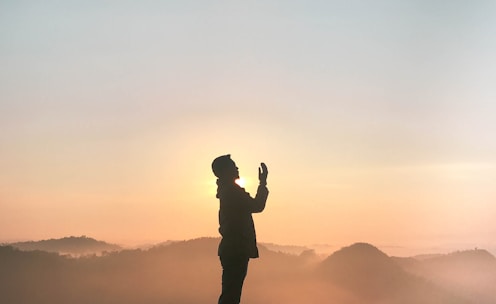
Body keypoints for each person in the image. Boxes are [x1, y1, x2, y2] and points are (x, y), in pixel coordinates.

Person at [211, 154, 269, 304]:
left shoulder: (227, 191)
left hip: (232, 249)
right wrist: (262, 184)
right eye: (233, 166)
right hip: (236, 249)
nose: (236, 168)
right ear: (224, 171)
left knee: (231, 293)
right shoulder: (232, 191)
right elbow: (257, 206)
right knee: (231, 296)